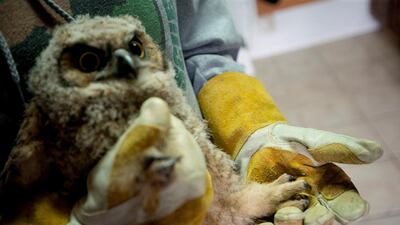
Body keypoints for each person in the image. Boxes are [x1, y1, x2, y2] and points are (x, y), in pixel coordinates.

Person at [0, 0, 382, 224]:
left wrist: (249, 127)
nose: (126, 64)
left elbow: (203, 47)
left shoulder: (156, 85)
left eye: (134, 49)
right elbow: (19, 175)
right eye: (88, 60)